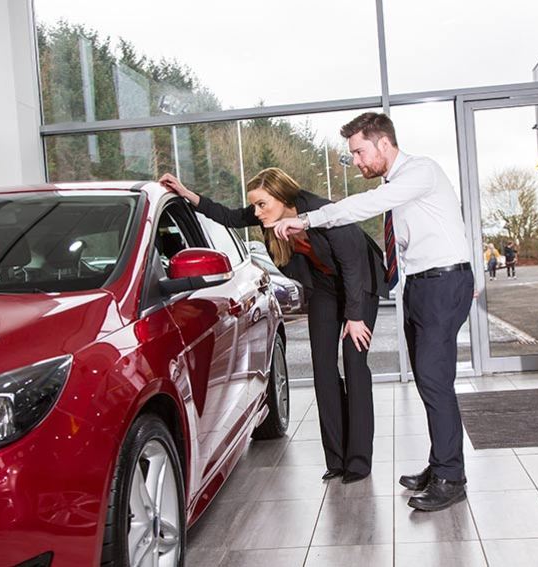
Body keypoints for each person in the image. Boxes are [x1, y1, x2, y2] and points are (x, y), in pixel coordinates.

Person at [270, 112, 473, 512]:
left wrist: (307, 219)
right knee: (430, 381)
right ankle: (443, 464)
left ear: (383, 143)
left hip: (442, 283)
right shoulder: (397, 185)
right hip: (420, 285)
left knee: (434, 381)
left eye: (359, 152)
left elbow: (366, 206)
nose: (357, 161)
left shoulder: (420, 172)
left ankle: (451, 478)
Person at [159, 167, 388, 484]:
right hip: (323, 287)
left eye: (261, 204)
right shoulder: (269, 216)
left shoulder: (325, 212)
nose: (256, 212)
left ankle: (359, 461)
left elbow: (352, 264)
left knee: (354, 362)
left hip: (359, 285)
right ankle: (337, 459)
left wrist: (355, 316)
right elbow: (228, 216)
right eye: (255, 205)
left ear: (283, 198)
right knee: (323, 367)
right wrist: (188, 194)